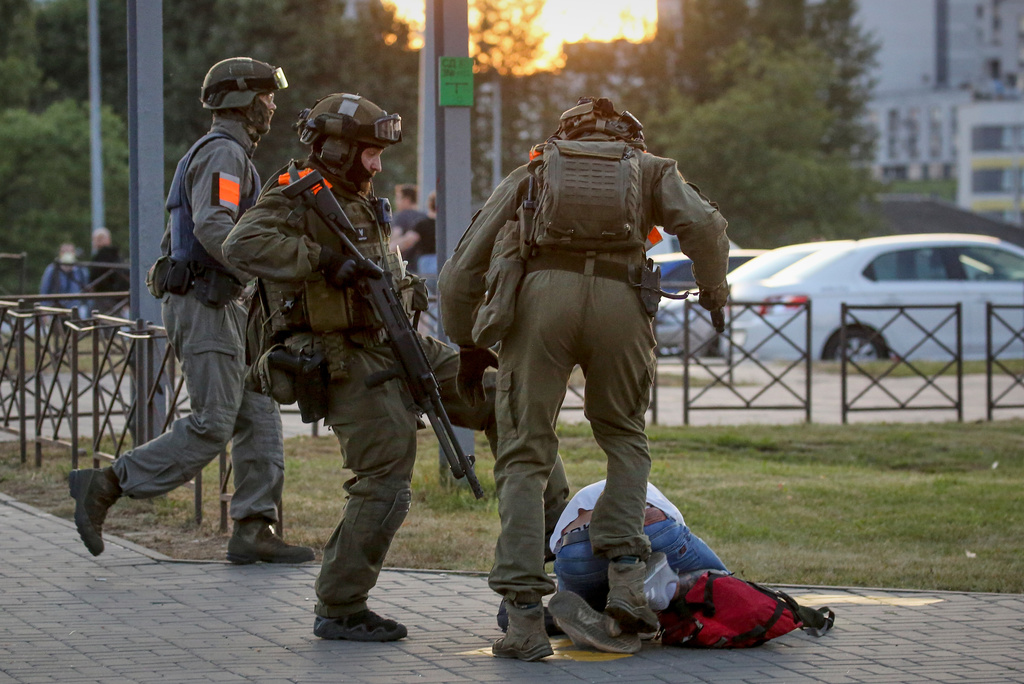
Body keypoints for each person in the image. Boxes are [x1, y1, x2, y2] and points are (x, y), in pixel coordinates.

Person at [221, 92, 571, 643]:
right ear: (335, 148)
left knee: (508, 395)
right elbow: (240, 242)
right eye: (369, 153)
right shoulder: (295, 197)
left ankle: (539, 566)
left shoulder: (355, 198)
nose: (379, 165)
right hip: (344, 358)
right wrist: (321, 261)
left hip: (400, 342)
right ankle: (340, 606)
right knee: (386, 481)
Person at [439, 96, 730, 661]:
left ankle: (523, 619)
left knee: (525, 453)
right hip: (622, 306)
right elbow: (705, 225)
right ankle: (626, 584)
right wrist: (715, 291)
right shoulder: (650, 170)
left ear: (566, 138)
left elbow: (461, 270)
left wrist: (469, 342)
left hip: (539, 306)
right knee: (624, 438)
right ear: (627, 141)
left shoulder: (534, 173)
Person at [68, 57, 314, 567]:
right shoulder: (223, 154)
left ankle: (253, 526)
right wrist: (269, 266)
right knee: (214, 421)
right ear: (242, 101)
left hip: (224, 303)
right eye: (266, 96)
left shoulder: (233, 154)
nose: (273, 105)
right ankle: (108, 483)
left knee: (259, 412)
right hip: (205, 302)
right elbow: (214, 226)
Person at [40, 242, 90, 318]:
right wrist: (44, 311)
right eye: (64, 251)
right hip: (55, 311)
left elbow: (87, 291)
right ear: (60, 253)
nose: (68, 254)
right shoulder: (52, 270)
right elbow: (44, 291)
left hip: (76, 312)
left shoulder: (81, 270)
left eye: (70, 251)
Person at [87, 227, 130, 294]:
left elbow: (95, 275)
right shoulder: (116, 255)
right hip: (118, 294)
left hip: (105, 294)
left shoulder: (102, 257)